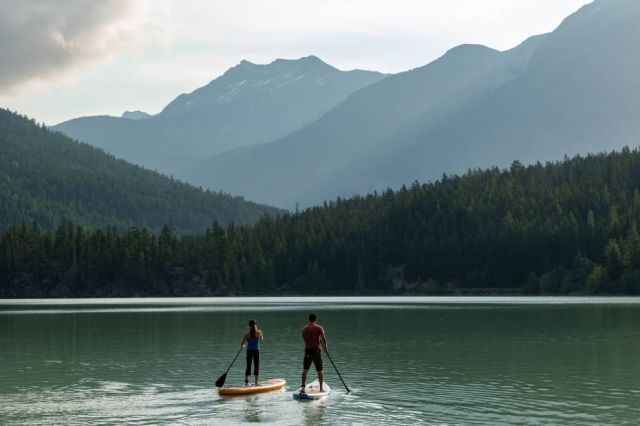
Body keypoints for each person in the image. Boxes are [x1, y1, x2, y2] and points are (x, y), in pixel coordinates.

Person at [300, 313, 327, 392]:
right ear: (315, 320)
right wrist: (325, 347)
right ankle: (321, 388)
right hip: (316, 351)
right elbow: (324, 339)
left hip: (308, 351)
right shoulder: (319, 327)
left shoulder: (304, 329)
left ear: (309, 320)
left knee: (305, 369)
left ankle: (303, 387)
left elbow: (305, 339)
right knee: (320, 370)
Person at [241, 319, 264, 386]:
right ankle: (256, 383)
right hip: (256, 351)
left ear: (249, 326)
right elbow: (262, 339)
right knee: (256, 366)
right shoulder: (259, 332)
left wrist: (243, 345)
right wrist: (260, 336)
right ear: (255, 325)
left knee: (248, 365)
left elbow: (242, 343)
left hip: (249, 351)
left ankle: (246, 382)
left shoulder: (246, 334)